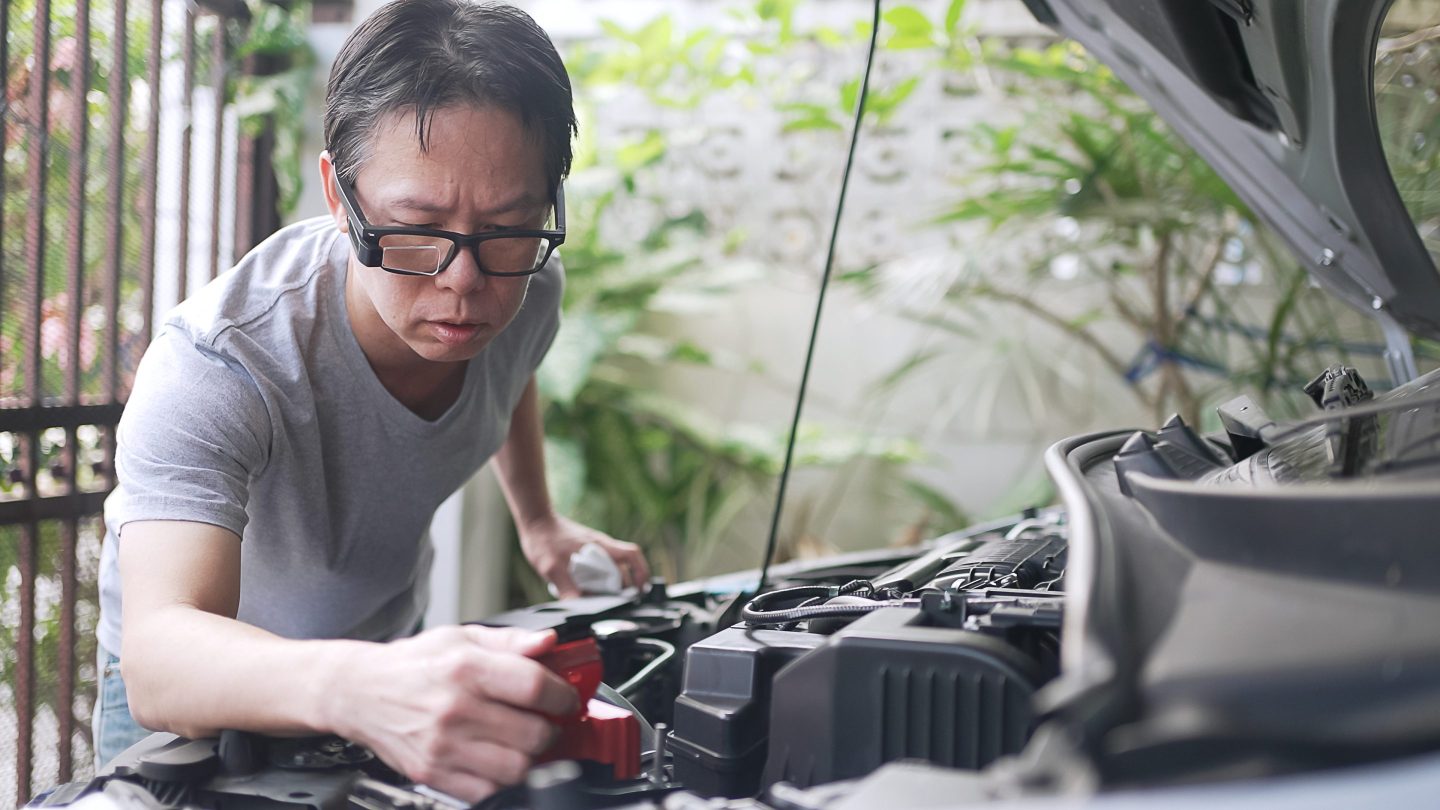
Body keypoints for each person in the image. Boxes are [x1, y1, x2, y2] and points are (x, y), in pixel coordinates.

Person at [91, 0, 649, 800]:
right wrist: (365, 686)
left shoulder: (526, 286)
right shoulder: (221, 362)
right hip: (204, 709)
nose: (465, 282)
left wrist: (540, 523)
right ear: (337, 193)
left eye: (507, 228)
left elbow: (511, 370)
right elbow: (160, 658)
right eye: (417, 227)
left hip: (380, 661)